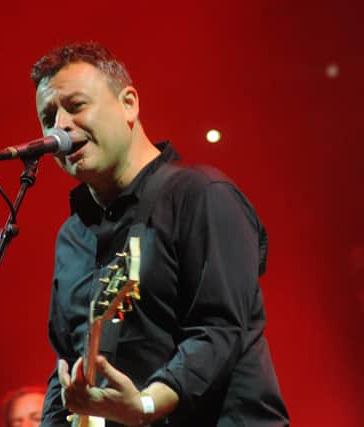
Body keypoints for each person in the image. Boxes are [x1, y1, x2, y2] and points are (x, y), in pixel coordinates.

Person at [30, 42, 289, 426]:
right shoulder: (73, 237)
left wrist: (147, 404)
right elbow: (66, 364)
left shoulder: (201, 196)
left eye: (76, 105)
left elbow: (218, 330)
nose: (60, 127)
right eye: (48, 116)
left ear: (129, 104)